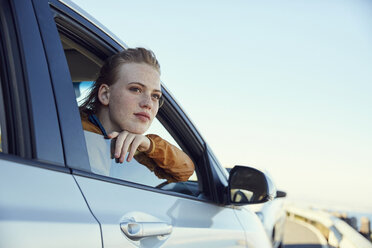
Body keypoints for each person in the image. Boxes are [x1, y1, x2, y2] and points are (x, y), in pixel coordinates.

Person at [79, 48, 194, 183]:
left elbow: (185, 171)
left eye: (155, 96)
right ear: (105, 94)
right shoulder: (78, 135)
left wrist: (150, 145)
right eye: (136, 89)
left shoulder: (135, 146)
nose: (148, 103)